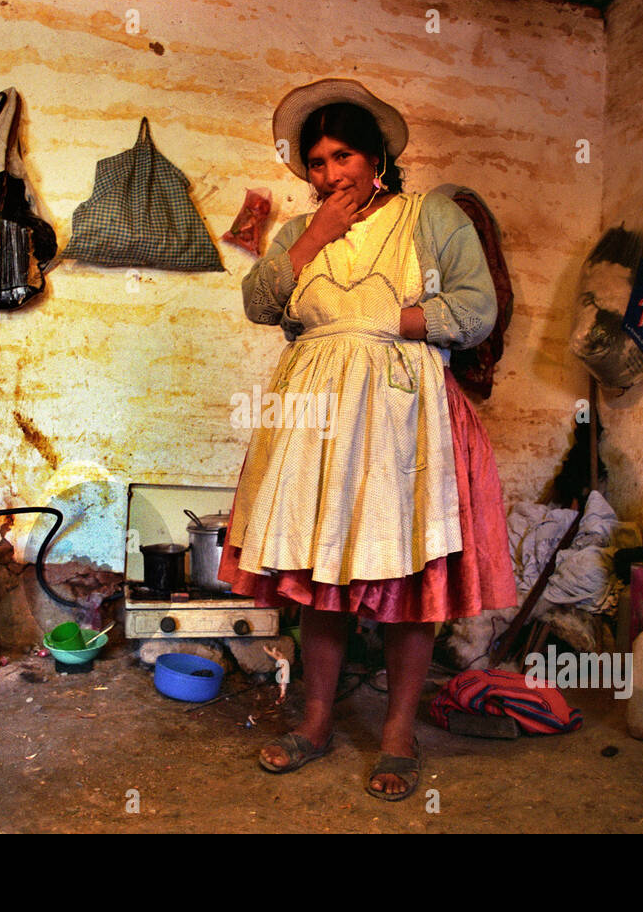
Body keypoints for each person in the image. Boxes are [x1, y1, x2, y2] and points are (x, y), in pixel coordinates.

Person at [217, 78, 518, 801]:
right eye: (315, 162)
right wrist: (314, 236)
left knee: (406, 576)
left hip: (401, 411)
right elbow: (260, 302)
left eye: (342, 155)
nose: (328, 175)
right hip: (315, 417)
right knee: (322, 577)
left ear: (377, 153)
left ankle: (396, 735)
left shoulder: (430, 216)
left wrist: (394, 322)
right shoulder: (299, 231)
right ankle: (316, 723)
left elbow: (478, 308)